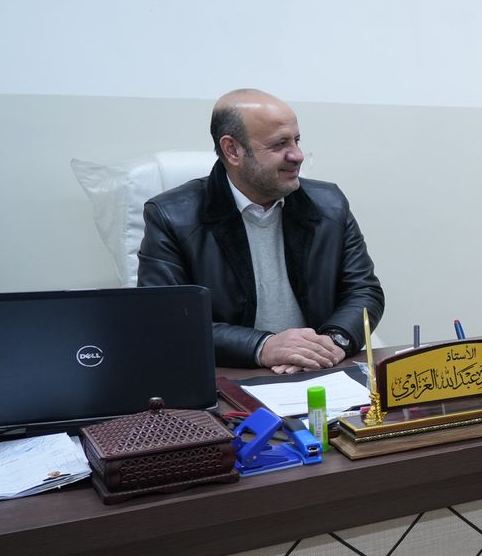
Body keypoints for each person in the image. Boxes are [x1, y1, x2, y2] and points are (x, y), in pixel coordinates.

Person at [138, 88, 385, 372]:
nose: (298, 155)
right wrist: (262, 346)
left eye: (297, 140)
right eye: (280, 144)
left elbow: (364, 291)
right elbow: (166, 320)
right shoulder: (171, 216)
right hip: (231, 374)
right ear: (233, 150)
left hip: (318, 370)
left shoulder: (329, 204)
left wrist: (332, 341)